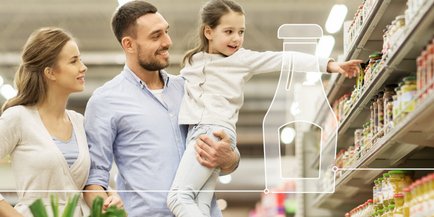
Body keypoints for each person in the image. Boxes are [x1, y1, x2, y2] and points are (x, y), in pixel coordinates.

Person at [166, 0, 363, 216]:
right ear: (208, 32)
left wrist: (330, 65)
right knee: (199, 203)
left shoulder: (242, 59)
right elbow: (171, 85)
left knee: (178, 197)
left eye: (241, 32)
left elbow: (284, 59)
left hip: (212, 132)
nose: (236, 38)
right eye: (229, 31)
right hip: (198, 131)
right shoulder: (193, 60)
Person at [82, 1, 240, 217]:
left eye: (166, 32)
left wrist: (229, 158)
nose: (168, 42)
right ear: (129, 44)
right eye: (156, 36)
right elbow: (94, 180)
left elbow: (226, 159)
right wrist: (107, 207)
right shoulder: (106, 101)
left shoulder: (190, 89)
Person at [0, 27, 122, 217]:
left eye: (80, 59)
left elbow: (91, 182)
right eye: (74, 61)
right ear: (50, 72)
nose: (83, 67)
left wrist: (109, 196)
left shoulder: (80, 122)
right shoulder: (18, 118)